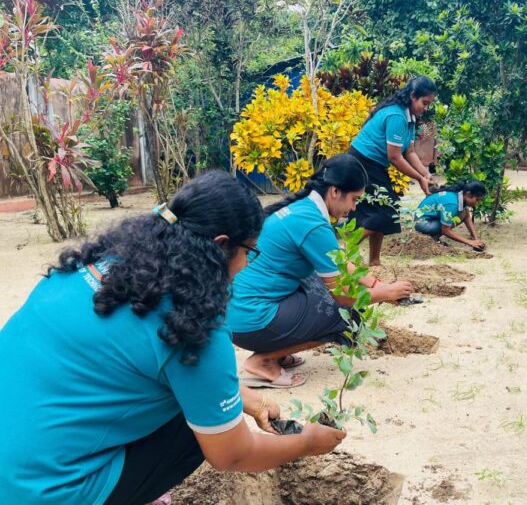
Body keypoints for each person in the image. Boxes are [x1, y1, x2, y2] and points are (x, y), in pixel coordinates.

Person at [0, 171, 345, 505]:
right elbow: (233, 455)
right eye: (249, 252)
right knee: (198, 431)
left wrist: (247, 400)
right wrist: (307, 443)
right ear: (221, 246)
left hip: (13, 462)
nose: (246, 264)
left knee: (191, 399)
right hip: (48, 492)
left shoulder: (94, 267)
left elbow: (129, 357)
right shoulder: (191, 324)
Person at [228, 154, 413, 388]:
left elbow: (340, 261)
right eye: (354, 199)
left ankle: (278, 352)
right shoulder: (314, 224)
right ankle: (264, 360)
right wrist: (386, 295)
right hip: (252, 320)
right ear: (335, 192)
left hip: (236, 315)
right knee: (344, 313)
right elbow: (344, 296)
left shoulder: (304, 209)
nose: (354, 207)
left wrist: (378, 286)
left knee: (317, 282)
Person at [348, 75, 438, 266]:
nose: (426, 108)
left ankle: (374, 261)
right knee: (385, 211)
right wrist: (418, 178)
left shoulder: (410, 118)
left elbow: (410, 151)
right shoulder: (397, 115)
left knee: (382, 211)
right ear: (413, 96)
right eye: (424, 102)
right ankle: (343, 256)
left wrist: (425, 174)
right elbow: (395, 157)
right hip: (362, 162)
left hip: (375, 164)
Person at [414, 180, 487, 251]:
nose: (478, 203)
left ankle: (433, 238)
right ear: (468, 194)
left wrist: (476, 239)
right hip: (423, 223)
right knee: (453, 220)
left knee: (464, 212)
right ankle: (433, 240)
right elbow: (445, 230)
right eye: (477, 200)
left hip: (428, 219)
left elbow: (467, 217)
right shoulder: (453, 204)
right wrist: (470, 242)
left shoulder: (458, 195)